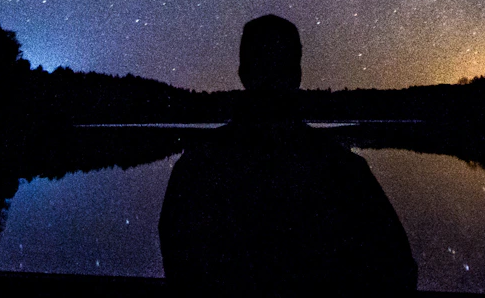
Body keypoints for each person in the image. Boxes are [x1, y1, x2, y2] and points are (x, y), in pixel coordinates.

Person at [158, 15, 416, 294]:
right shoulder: (343, 169)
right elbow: (397, 268)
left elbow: (179, 260)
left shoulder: (198, 166)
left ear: (243, 72)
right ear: (297, 75)